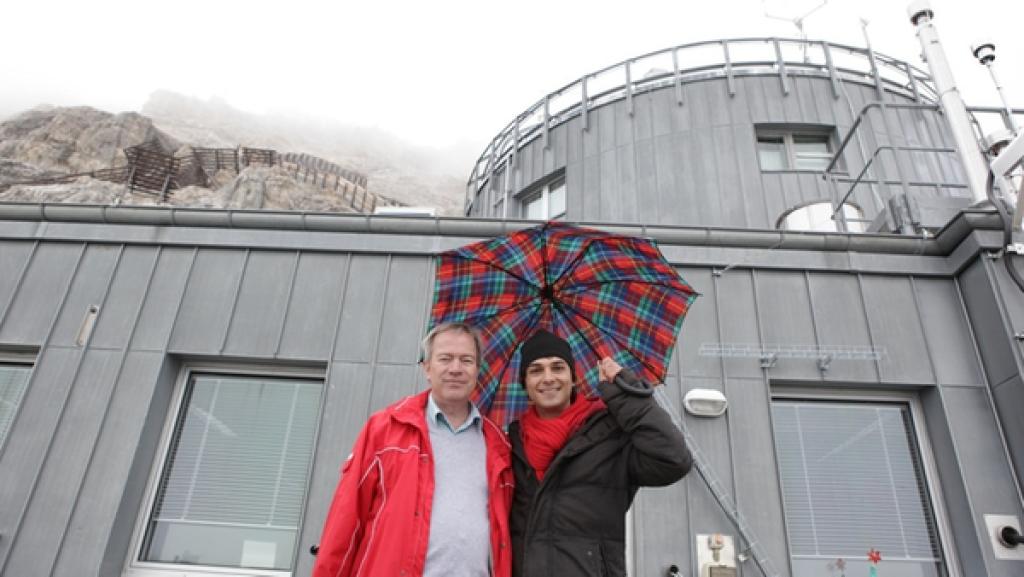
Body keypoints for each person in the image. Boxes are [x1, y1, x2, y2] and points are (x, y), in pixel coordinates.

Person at [312, 322, 513, 577]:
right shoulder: (385, 428)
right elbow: (345, 521)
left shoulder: (498, 445)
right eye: (445, 358)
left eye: (466, 360)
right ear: (427, 368)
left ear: (477, 371)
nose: (455, 369)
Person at [508, 329, 693, 577]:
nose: (548, 378)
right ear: (525, 384)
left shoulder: (610, 435)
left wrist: (624, 392)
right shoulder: (510, 445)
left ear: (573, 378)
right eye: (536, 370)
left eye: (558, 367)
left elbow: (673, 460)